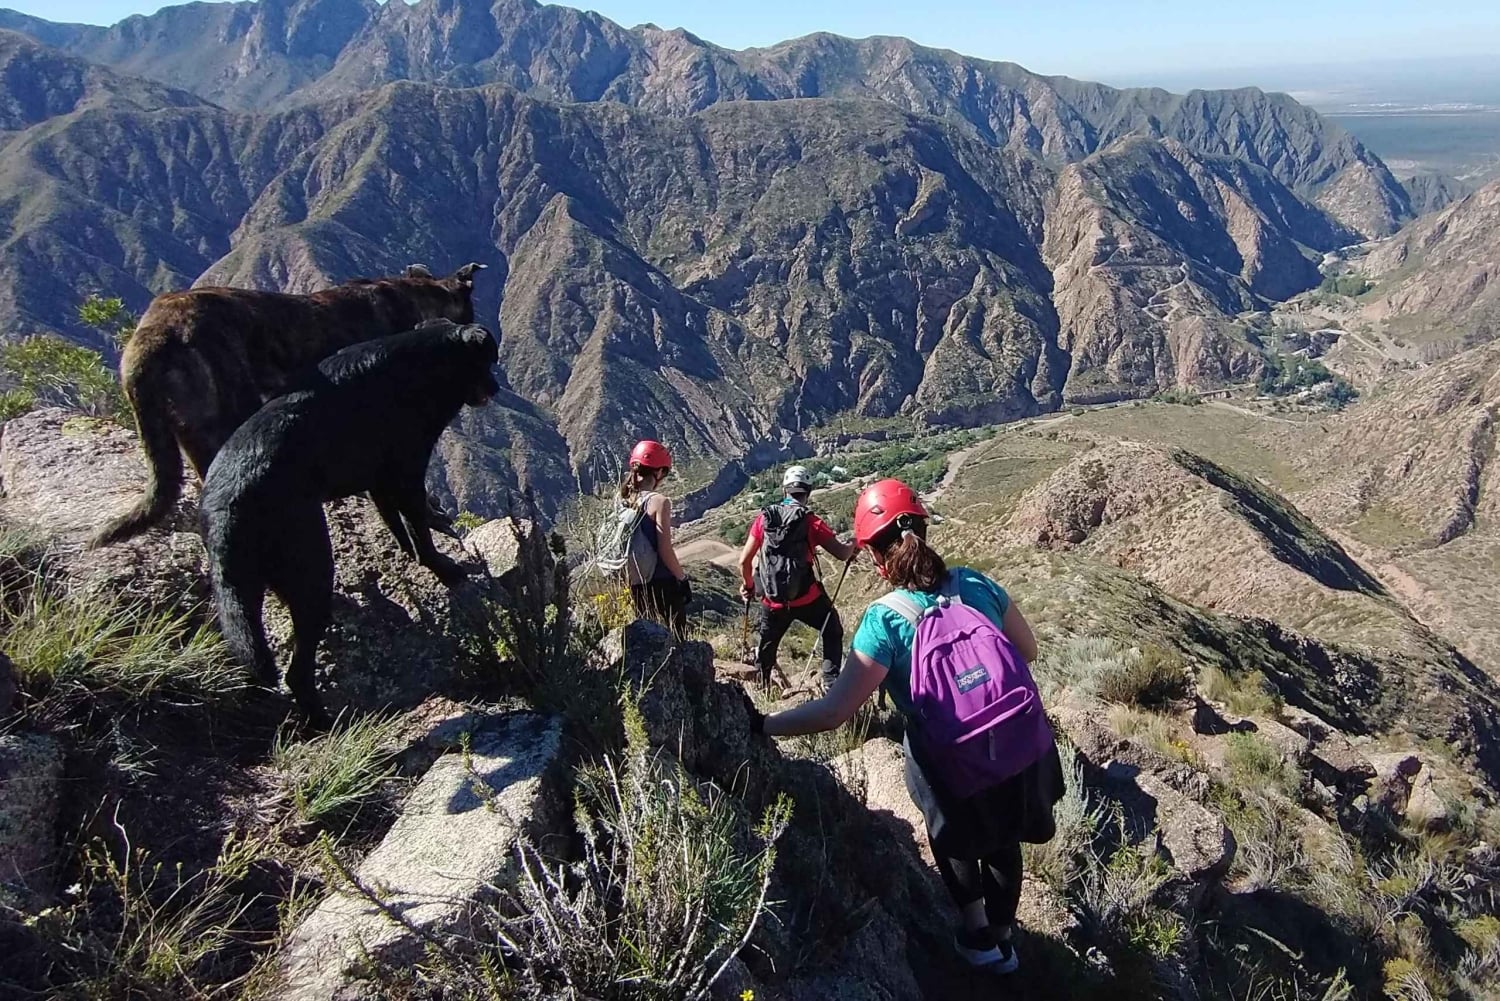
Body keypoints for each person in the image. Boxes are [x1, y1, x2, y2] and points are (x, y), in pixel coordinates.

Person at [747, 478, 1061, 975]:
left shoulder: (885, 620)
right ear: (924, 530)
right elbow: (1029, 651)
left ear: (876, 556)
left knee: (953, 835)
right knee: (1004, 840)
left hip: (949, 763)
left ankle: (977, 934)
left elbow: (834, 712)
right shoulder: (976, 584)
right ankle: (1004, 942)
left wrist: (765, 724)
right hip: (1012, 748)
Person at [739, 465, 858, 689]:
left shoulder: (764, 519)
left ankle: (762, 689)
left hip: (772, 601)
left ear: (784, 490)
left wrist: (749, 585)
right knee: (832, 629)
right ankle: (830, 682)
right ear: (808, 492)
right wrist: (854, 541)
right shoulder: (811, 522)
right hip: (807, 598)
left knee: (767, 647)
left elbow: (744, 561)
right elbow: (842, 554)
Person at [620, 439, 690, 639]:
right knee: (678, 639)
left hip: (635, 582)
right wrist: (682, 579)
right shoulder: (659, 502)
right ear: (659, 472)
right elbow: (665, 550)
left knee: (646, 638)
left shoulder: (623, 500)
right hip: (662, 582)